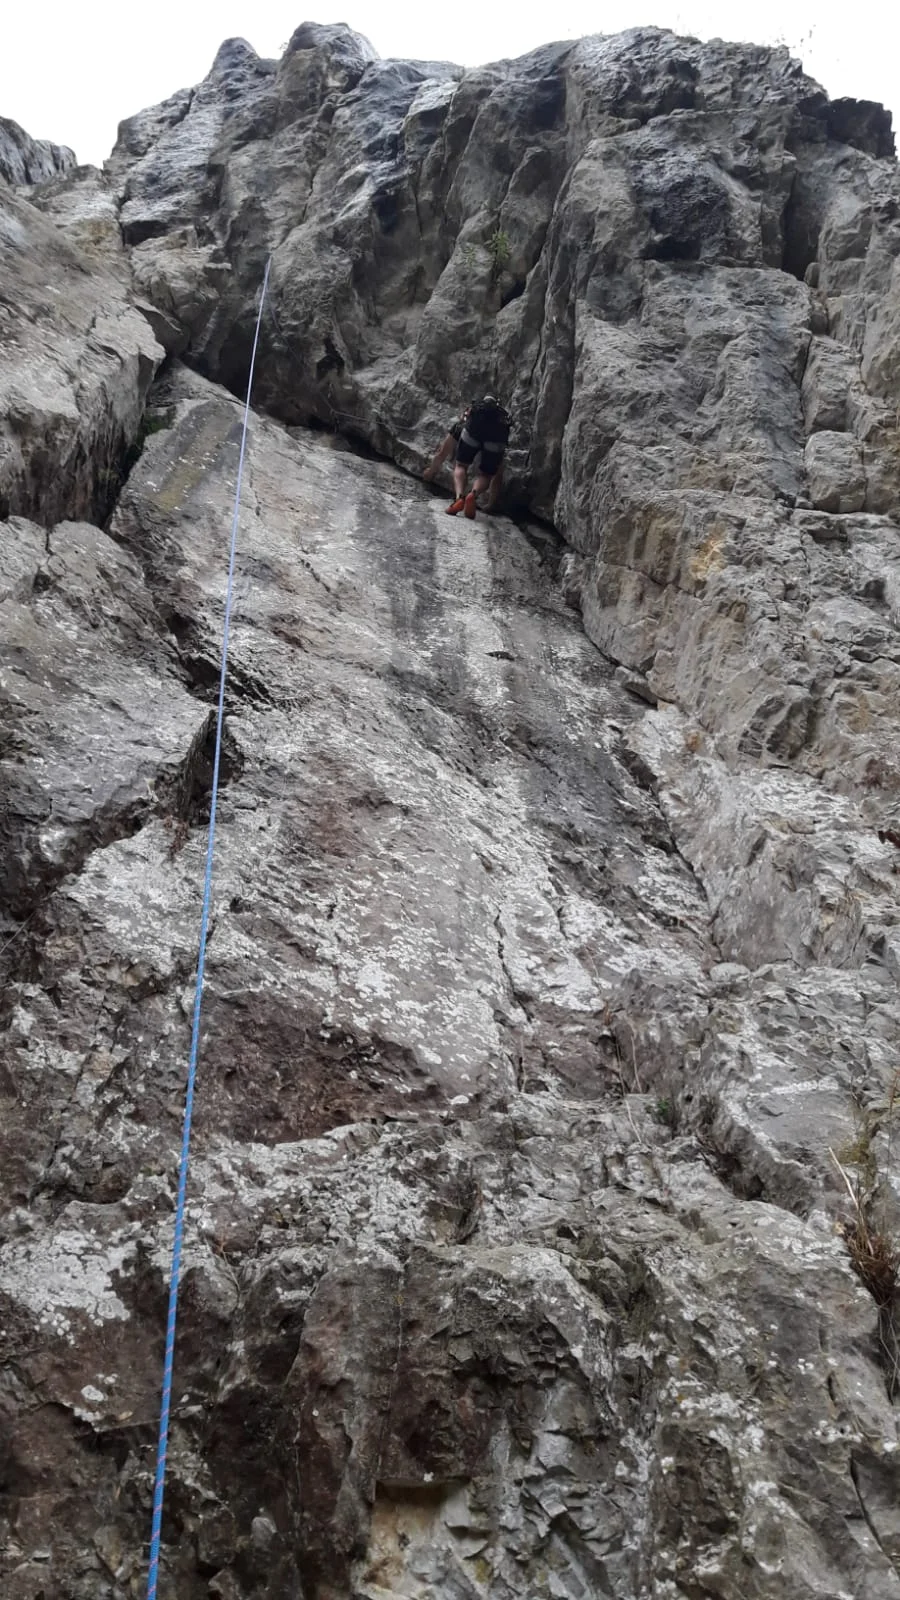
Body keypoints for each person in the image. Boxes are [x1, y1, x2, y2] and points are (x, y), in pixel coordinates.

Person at [445, 394, 511, 518]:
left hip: (471, 435)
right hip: (495, 441)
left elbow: (464, 419)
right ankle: (473, 494)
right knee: (486, 475)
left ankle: (459, 498)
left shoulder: (476, 408)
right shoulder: (502, 416)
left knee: (460, 466)